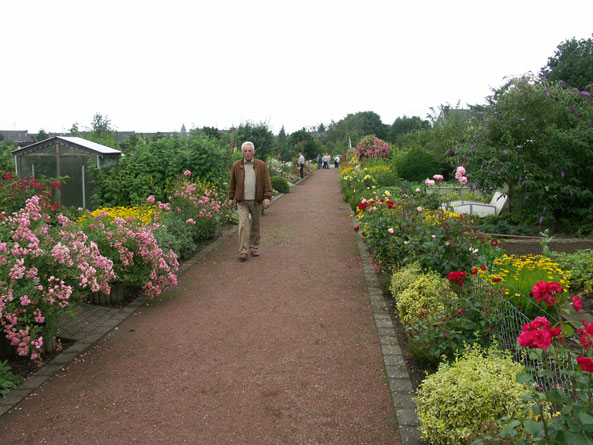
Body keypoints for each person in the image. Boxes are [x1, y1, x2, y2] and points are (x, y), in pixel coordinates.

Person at [228, 141, 273, 262]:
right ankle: (243, 251)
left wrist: (267, 197)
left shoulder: (261, 165)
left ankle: (254, 247)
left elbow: (266, 182)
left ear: (254, 152)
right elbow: (232, 183)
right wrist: (231, 198)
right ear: (242, 152)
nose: (247, 153)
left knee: (255, 224)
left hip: (256, 200)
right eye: (245, 151)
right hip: (242, 201)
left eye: (249, 151)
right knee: (243, 225)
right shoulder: (236, 165)